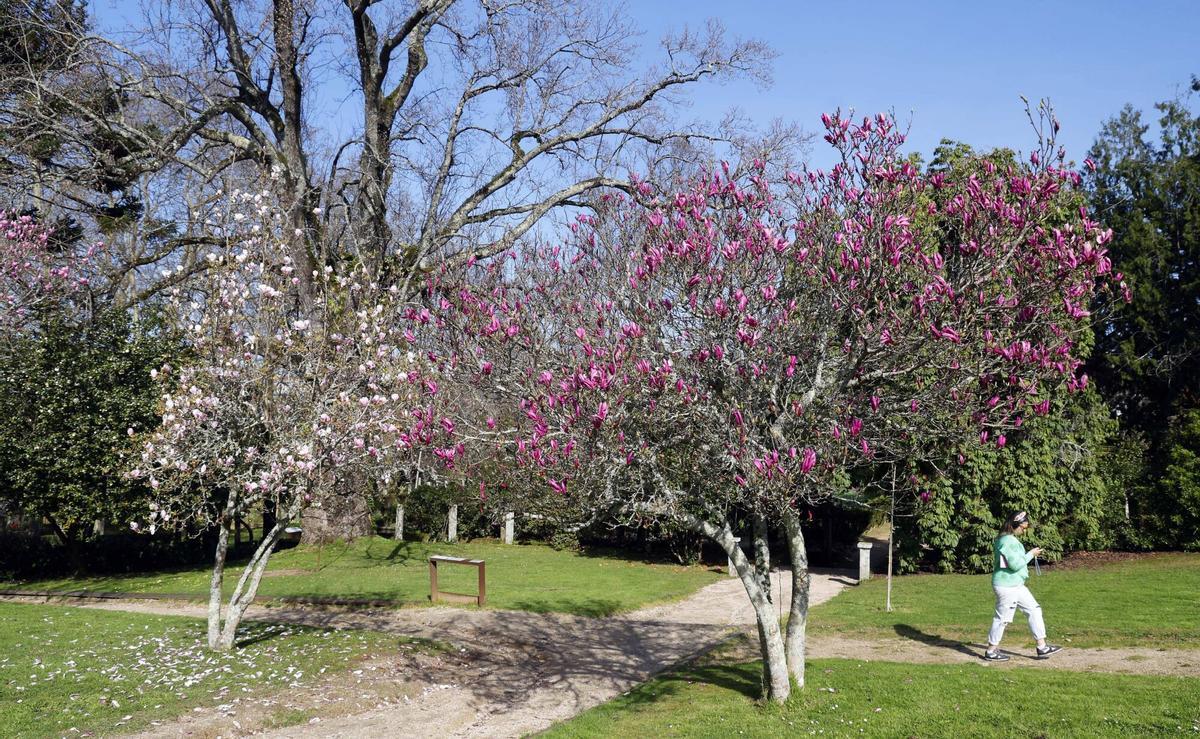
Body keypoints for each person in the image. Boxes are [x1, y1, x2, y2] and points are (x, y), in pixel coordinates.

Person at [983, 510, 1063, 662]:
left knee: (1034, 609)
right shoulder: (1007, 541)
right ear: (1014, 525)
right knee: (1002, 619)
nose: (1024, 530)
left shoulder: (1006, 539)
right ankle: (991, 651)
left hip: (1015, 585)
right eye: (1023, 527)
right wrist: (1031, 554)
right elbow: (1015, 565)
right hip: (1007, 586)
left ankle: (1042, 647)